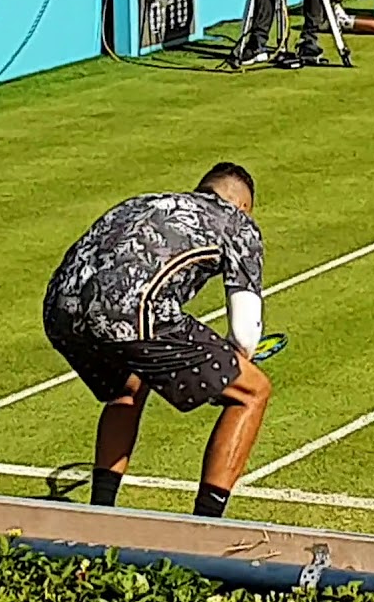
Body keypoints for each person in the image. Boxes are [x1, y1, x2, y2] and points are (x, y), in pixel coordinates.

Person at [41, 162, 270, 518]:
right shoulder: (238, 224)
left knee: (127, 388)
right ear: (242, 206)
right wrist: (229, 370)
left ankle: (100, 514)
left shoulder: (143, 202)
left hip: (60, 308)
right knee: (251, 391)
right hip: (131, 310)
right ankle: (205, 524)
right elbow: (245, 332)